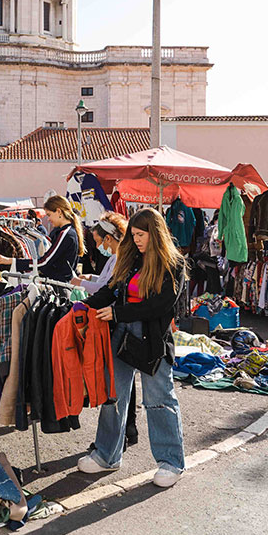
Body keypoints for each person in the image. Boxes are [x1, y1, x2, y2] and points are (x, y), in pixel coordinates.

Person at [77, 208, 186, 488]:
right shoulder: (131, 257)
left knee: (159, 400)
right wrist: (83, 306)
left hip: (152, 339)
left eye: (140, 235)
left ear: (155, 234)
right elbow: (111, 289)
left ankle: (171, 462)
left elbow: (161, 305)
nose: (136, 240)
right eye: (134, 235)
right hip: (122, 334)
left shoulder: (174, 263)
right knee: (113, 396)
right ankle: (107, 455)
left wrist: (118, 313)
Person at [71, 212, 138, 448]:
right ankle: (126, 431)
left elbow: (106, 289)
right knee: (121, 381)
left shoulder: (122, 259)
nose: (100, 247)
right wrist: (90, 280)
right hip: (112, 318)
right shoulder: (117, 258)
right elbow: (106, 284)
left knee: (118, 382)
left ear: (109, 238)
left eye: (100, 242)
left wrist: (82, 285)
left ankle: (119, 436)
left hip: (115, 320)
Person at [0, 194, 85, 282]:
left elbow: (44, 262)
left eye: (49, 215)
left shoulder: (65, 234)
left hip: (59, 286)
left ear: (59, 211)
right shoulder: (68, 232)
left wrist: (10, 261)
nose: (48, 219)